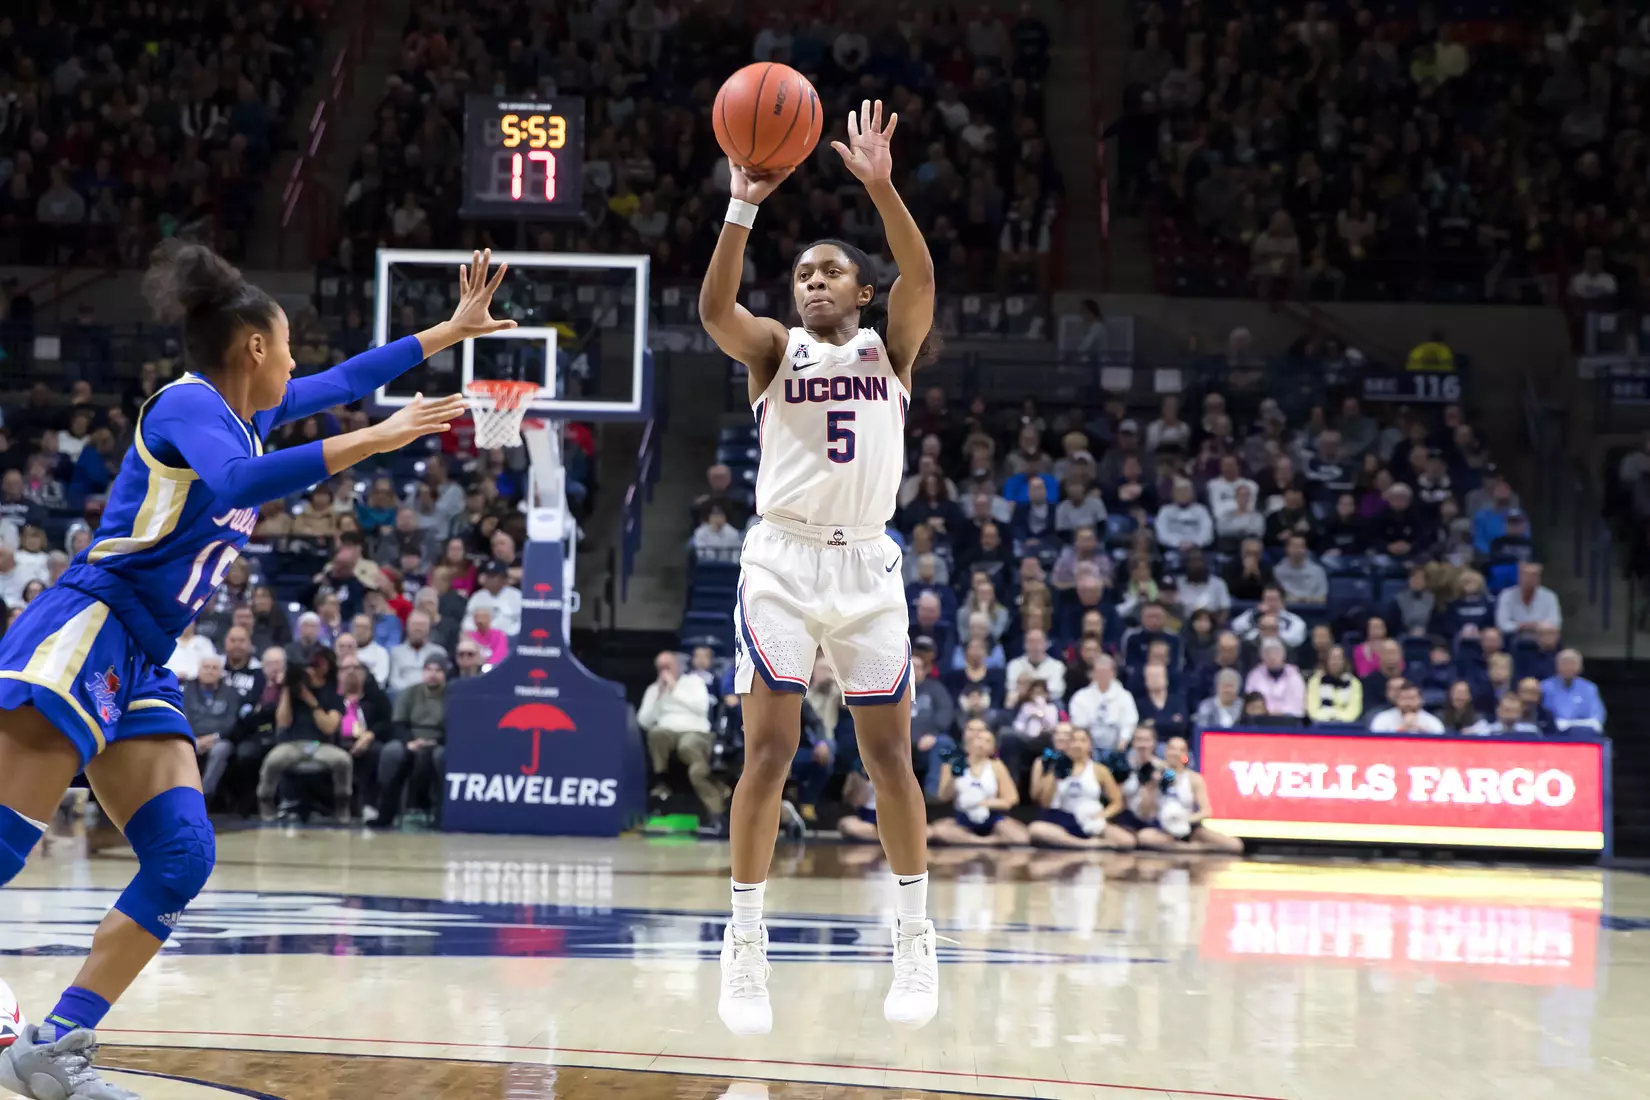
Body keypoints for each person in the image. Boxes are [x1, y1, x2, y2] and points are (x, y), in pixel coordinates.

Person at [0, 241, 503, 1093]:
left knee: (181, 857)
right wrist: (375, 439)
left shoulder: (249, 414)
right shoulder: (185, 405)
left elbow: (347, 378)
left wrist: (449, 331)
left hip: (142, 656)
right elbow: (237, 483)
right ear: (255, 347)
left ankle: (51, 1047)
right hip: (87, 629)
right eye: (289, 347)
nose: (298, 363)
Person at [698, 100, 942, 1034]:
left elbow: (921, 273)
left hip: (867, 564)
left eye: (830, 272)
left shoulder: (893, 348)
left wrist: (881, 187)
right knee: (770, 750)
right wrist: (742, 206)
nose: (812, 284)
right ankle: (744, 943)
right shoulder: (775, 350)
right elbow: (715, 312)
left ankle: (913, 939)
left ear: (863, 291)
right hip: (783, 561)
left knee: (890, 759)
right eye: (803, 274)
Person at [639, 650, 724, 824]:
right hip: (668, 731)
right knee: (656, 734)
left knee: (687, 745)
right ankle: (661, 780)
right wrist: (658, 697)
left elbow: (701, 708)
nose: (665, 671)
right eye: (661, 667)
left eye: (668, 666)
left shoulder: (693, 682)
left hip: (695, 730)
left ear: (677, 666)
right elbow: (644, 721)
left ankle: (713, 802)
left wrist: (674, 689)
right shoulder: (654, 689)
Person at [1129, 735, 1243, 853]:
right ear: (1166, 751)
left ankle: (1187, 848)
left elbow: (1206, 811)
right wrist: (1150, 788)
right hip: (1163, 828)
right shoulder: (1155, 774)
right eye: (1172, 748)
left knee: (1235, 845)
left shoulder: (1194, 778)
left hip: (1188, 826)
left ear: (1186, 754)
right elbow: (1144, 811)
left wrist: (1185, 820)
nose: (1176, 753)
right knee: (1144, 838)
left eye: (1181, 750)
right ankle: (1190, 848)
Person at [1027, 725, 1132, 849]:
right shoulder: (1057, 768)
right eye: (1073, 740)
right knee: (1036, 829)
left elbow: (1117, 802)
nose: (1077, 745)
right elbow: (1045, 802)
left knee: (1127, 841)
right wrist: (1055, 776)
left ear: (1090, 745)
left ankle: (1088, 841)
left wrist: (1102, 815)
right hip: (1063, 820)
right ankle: (1083, 844)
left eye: (1082, 740)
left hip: (1091, 820)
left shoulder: (1099, 770)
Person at [926, 721, 1028, 846]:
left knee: (1020, 837)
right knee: (938, 831)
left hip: (992, 817)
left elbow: (1011, 799)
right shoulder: (951, 763)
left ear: (993, 748)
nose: (980, 743)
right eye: (977, 738)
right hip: (963, 818)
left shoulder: (997, 766)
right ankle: (982, 842)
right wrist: (953, 777)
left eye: (986, 741)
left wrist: (983, 803)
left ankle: (982, 841)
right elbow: (943, 796)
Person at [379, 656, 449, 826]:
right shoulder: (410, 693)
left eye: (438, 670)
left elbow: (456, 727)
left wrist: (435, 741)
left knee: (440, 756)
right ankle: (386, 813)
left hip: (440, 741)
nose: (433, 674)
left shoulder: (452, 695)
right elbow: (399, 723)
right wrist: (409, 742)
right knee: (392, 752)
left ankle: (440, 814)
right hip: (411, 738)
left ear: (445, 674)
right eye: (429, 669)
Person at [1065, 655, 1138, 750]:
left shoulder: (1125, 696)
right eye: (1099, 671)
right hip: (1088, 747)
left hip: (1118, 746)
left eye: (1106, 671)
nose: (1102, 675)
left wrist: (1122, 745)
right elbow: (1079, 725)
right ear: (1092, 673)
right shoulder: (1080, 697)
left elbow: (1129, 722)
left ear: (1113, 673)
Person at [1540, 649, 1606, 733]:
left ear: (1580, 667)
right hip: (1552, 734)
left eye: (1572, 663)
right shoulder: (1545, 687)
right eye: (1564, 663)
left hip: (1583, 734)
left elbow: (1597, 716)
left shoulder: (1590, 688)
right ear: (1557, 666)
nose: (1568, 667)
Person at [1496, 562, 1561, 636]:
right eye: (1526, 575)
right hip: (1514, 636)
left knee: (1551, 635)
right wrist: (1520, 626)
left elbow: (1555, 623)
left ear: (1539, 578)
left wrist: (1536, 626)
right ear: (1519, 576)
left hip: (1541, 635)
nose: (1530, 579)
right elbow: (1502, 624)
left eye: (1534, 575)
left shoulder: (1549, 596)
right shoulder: (1506, 595)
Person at [1244, 638, 1306, 717]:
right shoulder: (1254, 676)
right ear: (1262, 657)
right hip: (1261, 720)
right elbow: (1251, 704)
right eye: (1268, 654)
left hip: (1288, 720)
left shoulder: (1294, 676)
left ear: (1283, 655)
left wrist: (1279, 713)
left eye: (1276, 653)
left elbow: (1298, 705)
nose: (1272, 657)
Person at [1306, 646, 1362, 723]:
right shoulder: (1315, 681)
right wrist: (1329, 717)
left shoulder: (1354, 683)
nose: (1336, 662)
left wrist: (1337, 717)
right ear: (1327, 660)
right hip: (1321, 724)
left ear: (1345, 661)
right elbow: (1313, 710)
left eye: (1339, 658)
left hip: (1346, 725)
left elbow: (1354, 711)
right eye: (1333, 658)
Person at [1368, 681, 1445, 733]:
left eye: (1412, 698)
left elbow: (1440, 743)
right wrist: (1403, 728)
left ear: (1421, 700)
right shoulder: (1383, 718)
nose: (1408, 703)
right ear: (1397, 700)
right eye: (1404, 699)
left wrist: (1420, 731)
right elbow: (1376, 743)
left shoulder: (1431, 721)